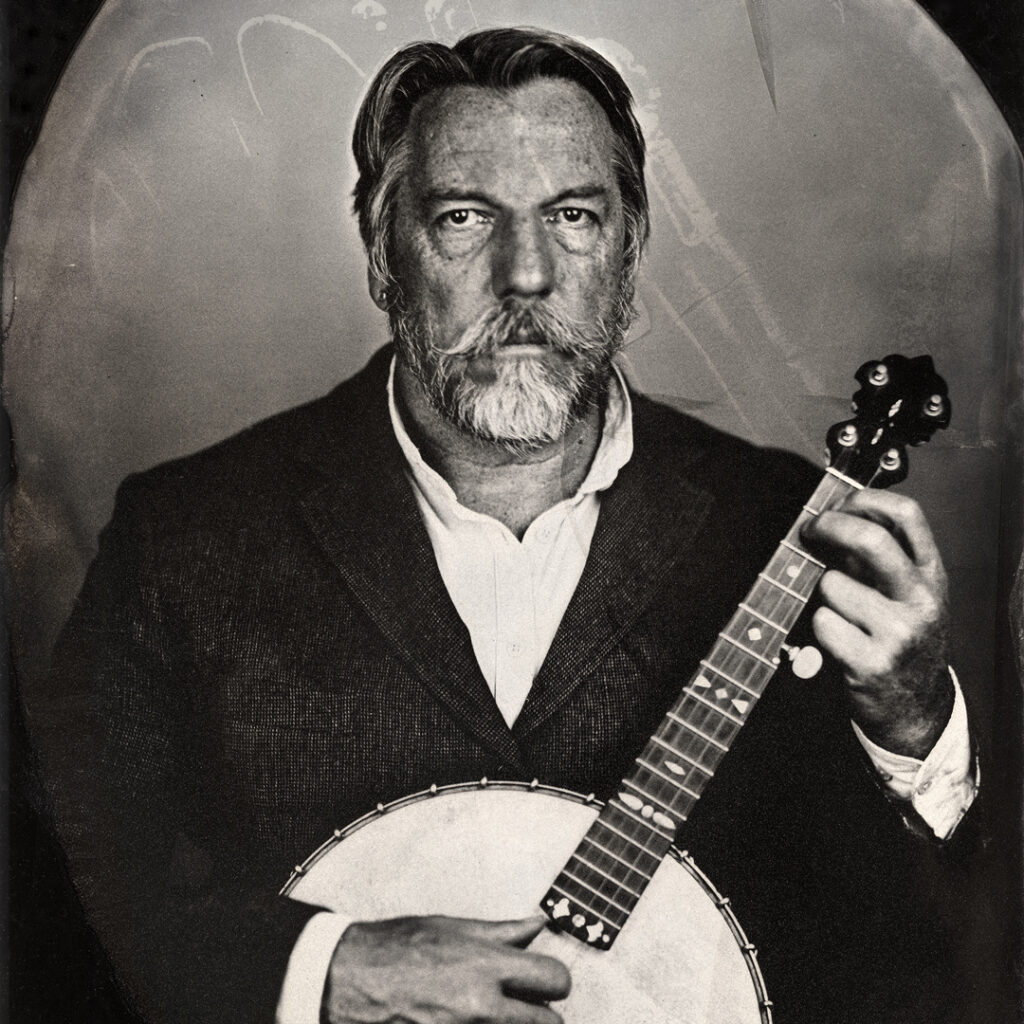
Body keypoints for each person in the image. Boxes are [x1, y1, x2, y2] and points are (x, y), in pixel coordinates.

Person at [33, 27, 980, 1024]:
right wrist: (325, 964)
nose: (524, 273)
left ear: (628, 246)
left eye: (572, 215)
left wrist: (911, 728)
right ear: (379, 249)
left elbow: (921, 961)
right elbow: (53, 901)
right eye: (462, 216)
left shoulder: (780, 534)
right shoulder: (185, 539)